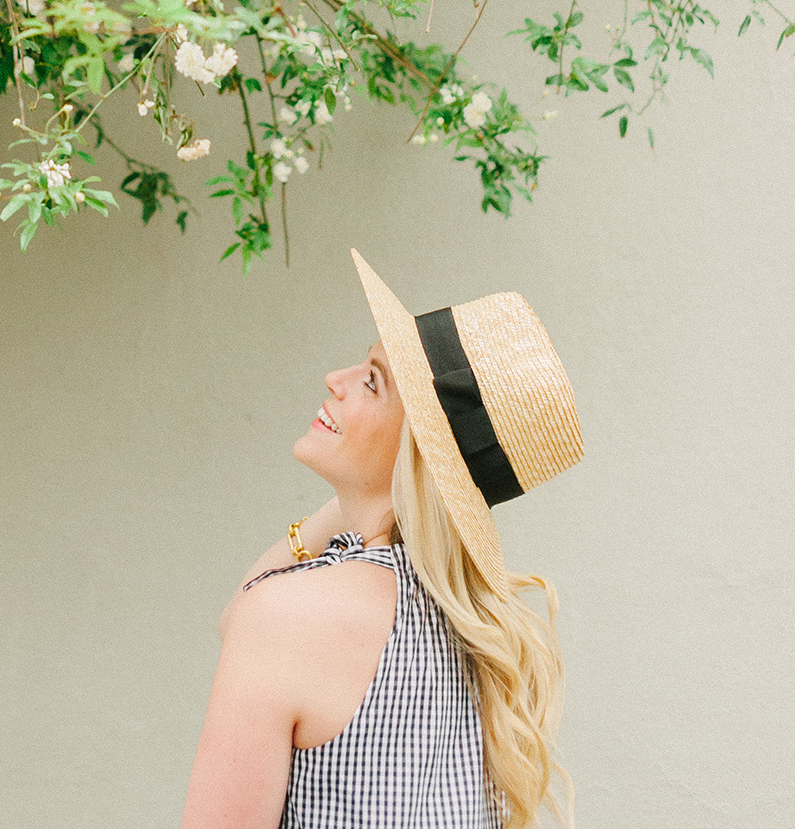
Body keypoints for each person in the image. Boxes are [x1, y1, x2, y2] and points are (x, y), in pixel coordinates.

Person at [180, 250, 582, 829]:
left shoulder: (287, 618)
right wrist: (380, 496)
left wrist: (387, 491)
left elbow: (244, 616)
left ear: (417, 453)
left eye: (371, 382)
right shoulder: (476, 640)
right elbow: (242, 615)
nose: (334, 380)